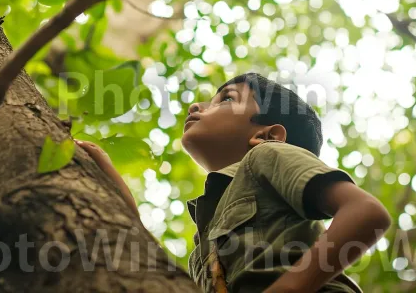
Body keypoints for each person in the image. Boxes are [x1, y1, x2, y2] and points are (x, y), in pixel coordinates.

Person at [76, 73, 391, 292]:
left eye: (225, 99)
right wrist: (119, 198)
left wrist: (291, 287)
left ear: (267, 136)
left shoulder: (266, 156)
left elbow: (365, 212)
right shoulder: (204, 242)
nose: (195, 107)